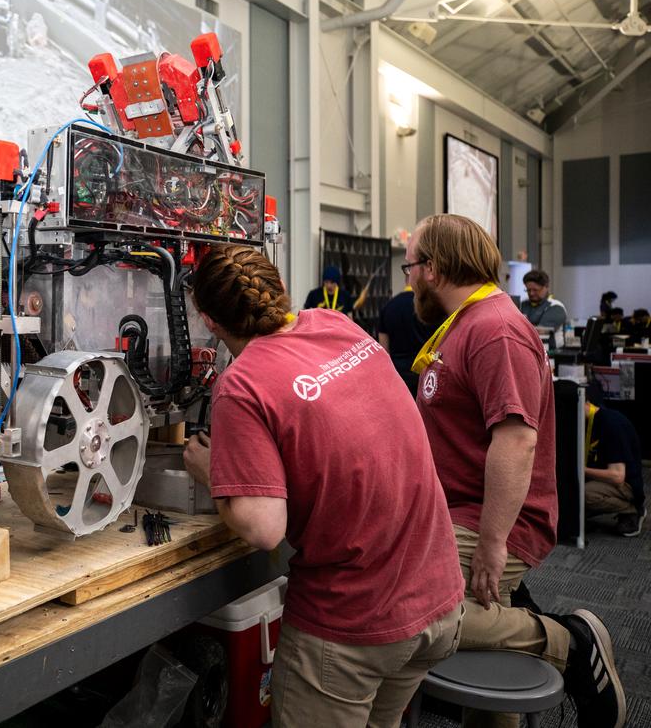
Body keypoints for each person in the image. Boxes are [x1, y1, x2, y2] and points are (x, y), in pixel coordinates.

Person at [182, 243, 463, 728]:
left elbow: (265, 528)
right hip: (438, 604)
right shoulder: (336, 325)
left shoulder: (242, 383)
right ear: (281, 289)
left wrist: (216, 472)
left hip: (354, 630)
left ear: (208, 319)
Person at [405, 214, 625, 728]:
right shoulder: (464, 324)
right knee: (487, 663)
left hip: (489, 519)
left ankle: (568, 643)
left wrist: (491, 540)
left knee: (407, 609)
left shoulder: (495, 330)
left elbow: (518, 440)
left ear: (434, 269)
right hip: (460, 512)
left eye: (410, 265)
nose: (407, 277)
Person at [584, 383, 645, 537]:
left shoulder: (611, 424)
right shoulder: (588, 421)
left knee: (584, 495)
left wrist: (580, 470)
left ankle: (632, 509)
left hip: (625, 484)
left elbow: (617, 476)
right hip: (603, 478)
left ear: (586, 402)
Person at [377, 284, 437, 395]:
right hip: (425, 372)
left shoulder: (388, 307)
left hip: (399, 375)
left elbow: (384, 350)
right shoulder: (429, 307)